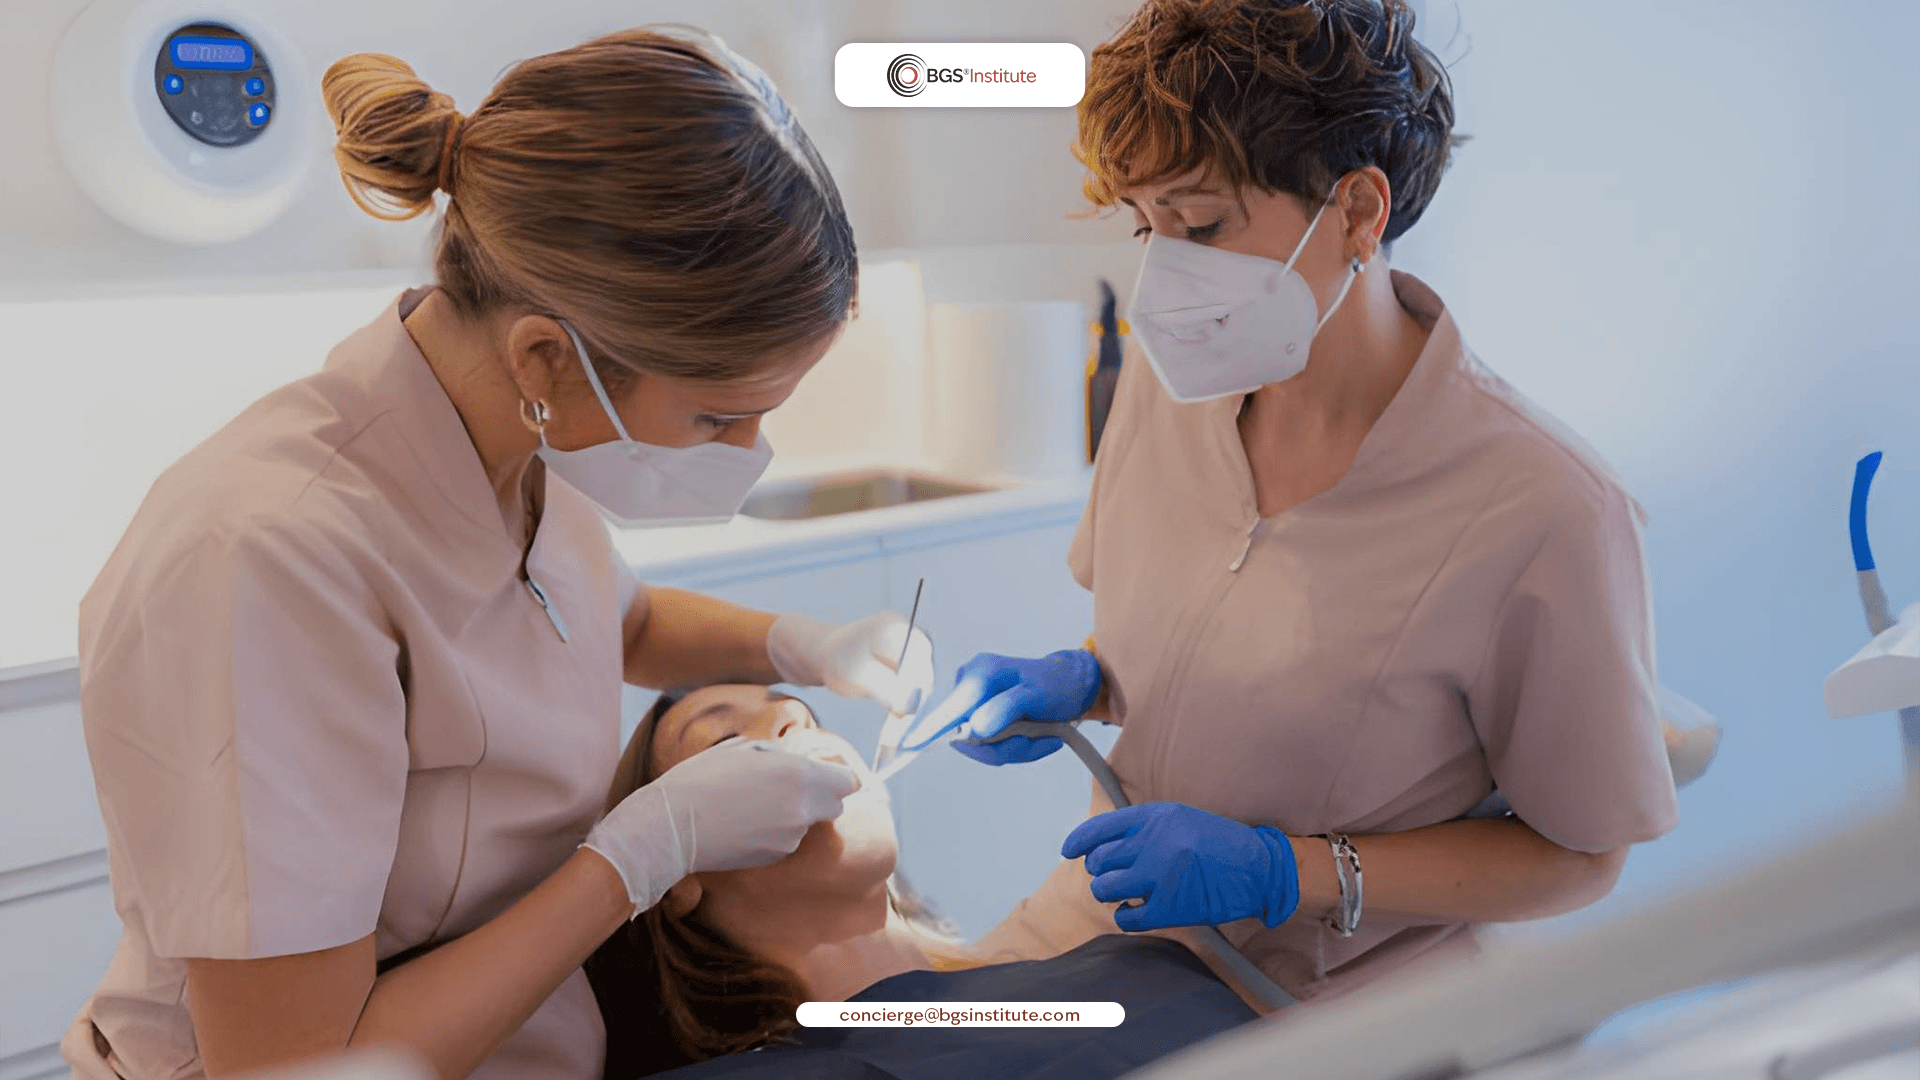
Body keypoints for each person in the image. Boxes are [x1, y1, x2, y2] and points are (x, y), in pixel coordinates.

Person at [65, 27, 933, 1080]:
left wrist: (809, 645)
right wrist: (642, 855)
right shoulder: (266, 563)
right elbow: (289, 1064)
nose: (749, 457)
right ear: (545, 356)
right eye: (716, 420)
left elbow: (621, 622)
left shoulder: (528, 444)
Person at [925, 0, 1679, 1002]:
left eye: (1201, 224)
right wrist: (1081, 680)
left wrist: (1289, 871)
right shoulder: (1168, 385)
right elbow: (1205, 642)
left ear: (1360, 212)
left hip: (1324, 1000)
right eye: (1146, 226)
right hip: (1109, 939)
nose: (1162, 277)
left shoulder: (1541, 508)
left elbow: (1581, 855)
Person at [585, 687, 1259, 1080]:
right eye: (726, 741)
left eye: (797, 712)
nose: (792, 714)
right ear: (675, 874)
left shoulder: (1132, 959)